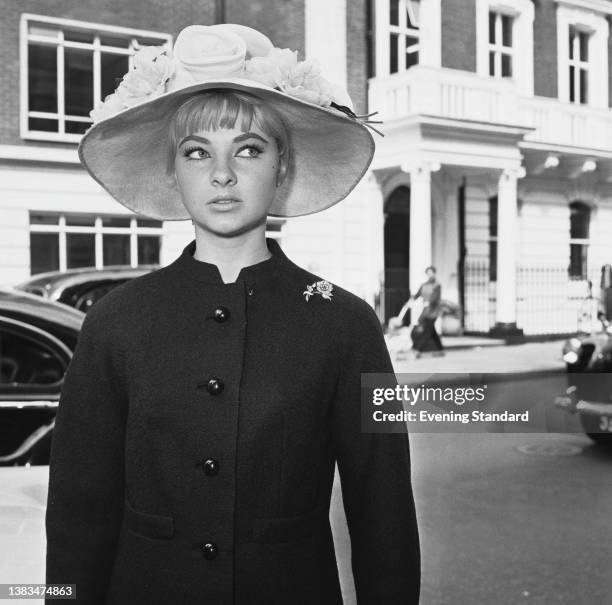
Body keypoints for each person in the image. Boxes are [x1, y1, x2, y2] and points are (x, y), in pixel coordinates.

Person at [44, 23, 420, 605]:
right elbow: (77, 515)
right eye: (198, 152)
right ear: (173, 170)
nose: (223, 174)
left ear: (283, 166)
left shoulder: (346, 324)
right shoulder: (115, 322)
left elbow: (385, 510)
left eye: (248, 149)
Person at [410, 266, 444, 357]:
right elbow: (417, 294)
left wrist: (429, 302)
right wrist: (411, 300)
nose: (430, 275)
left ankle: (417, 350)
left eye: (431, 273)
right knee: (432, 331)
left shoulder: (437, 285)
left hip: (433, 311)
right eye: (428, 273)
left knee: (426, 331)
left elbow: (436, 298)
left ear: (434, 273)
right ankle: (441, 349)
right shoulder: (424, 285)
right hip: (425, 311)